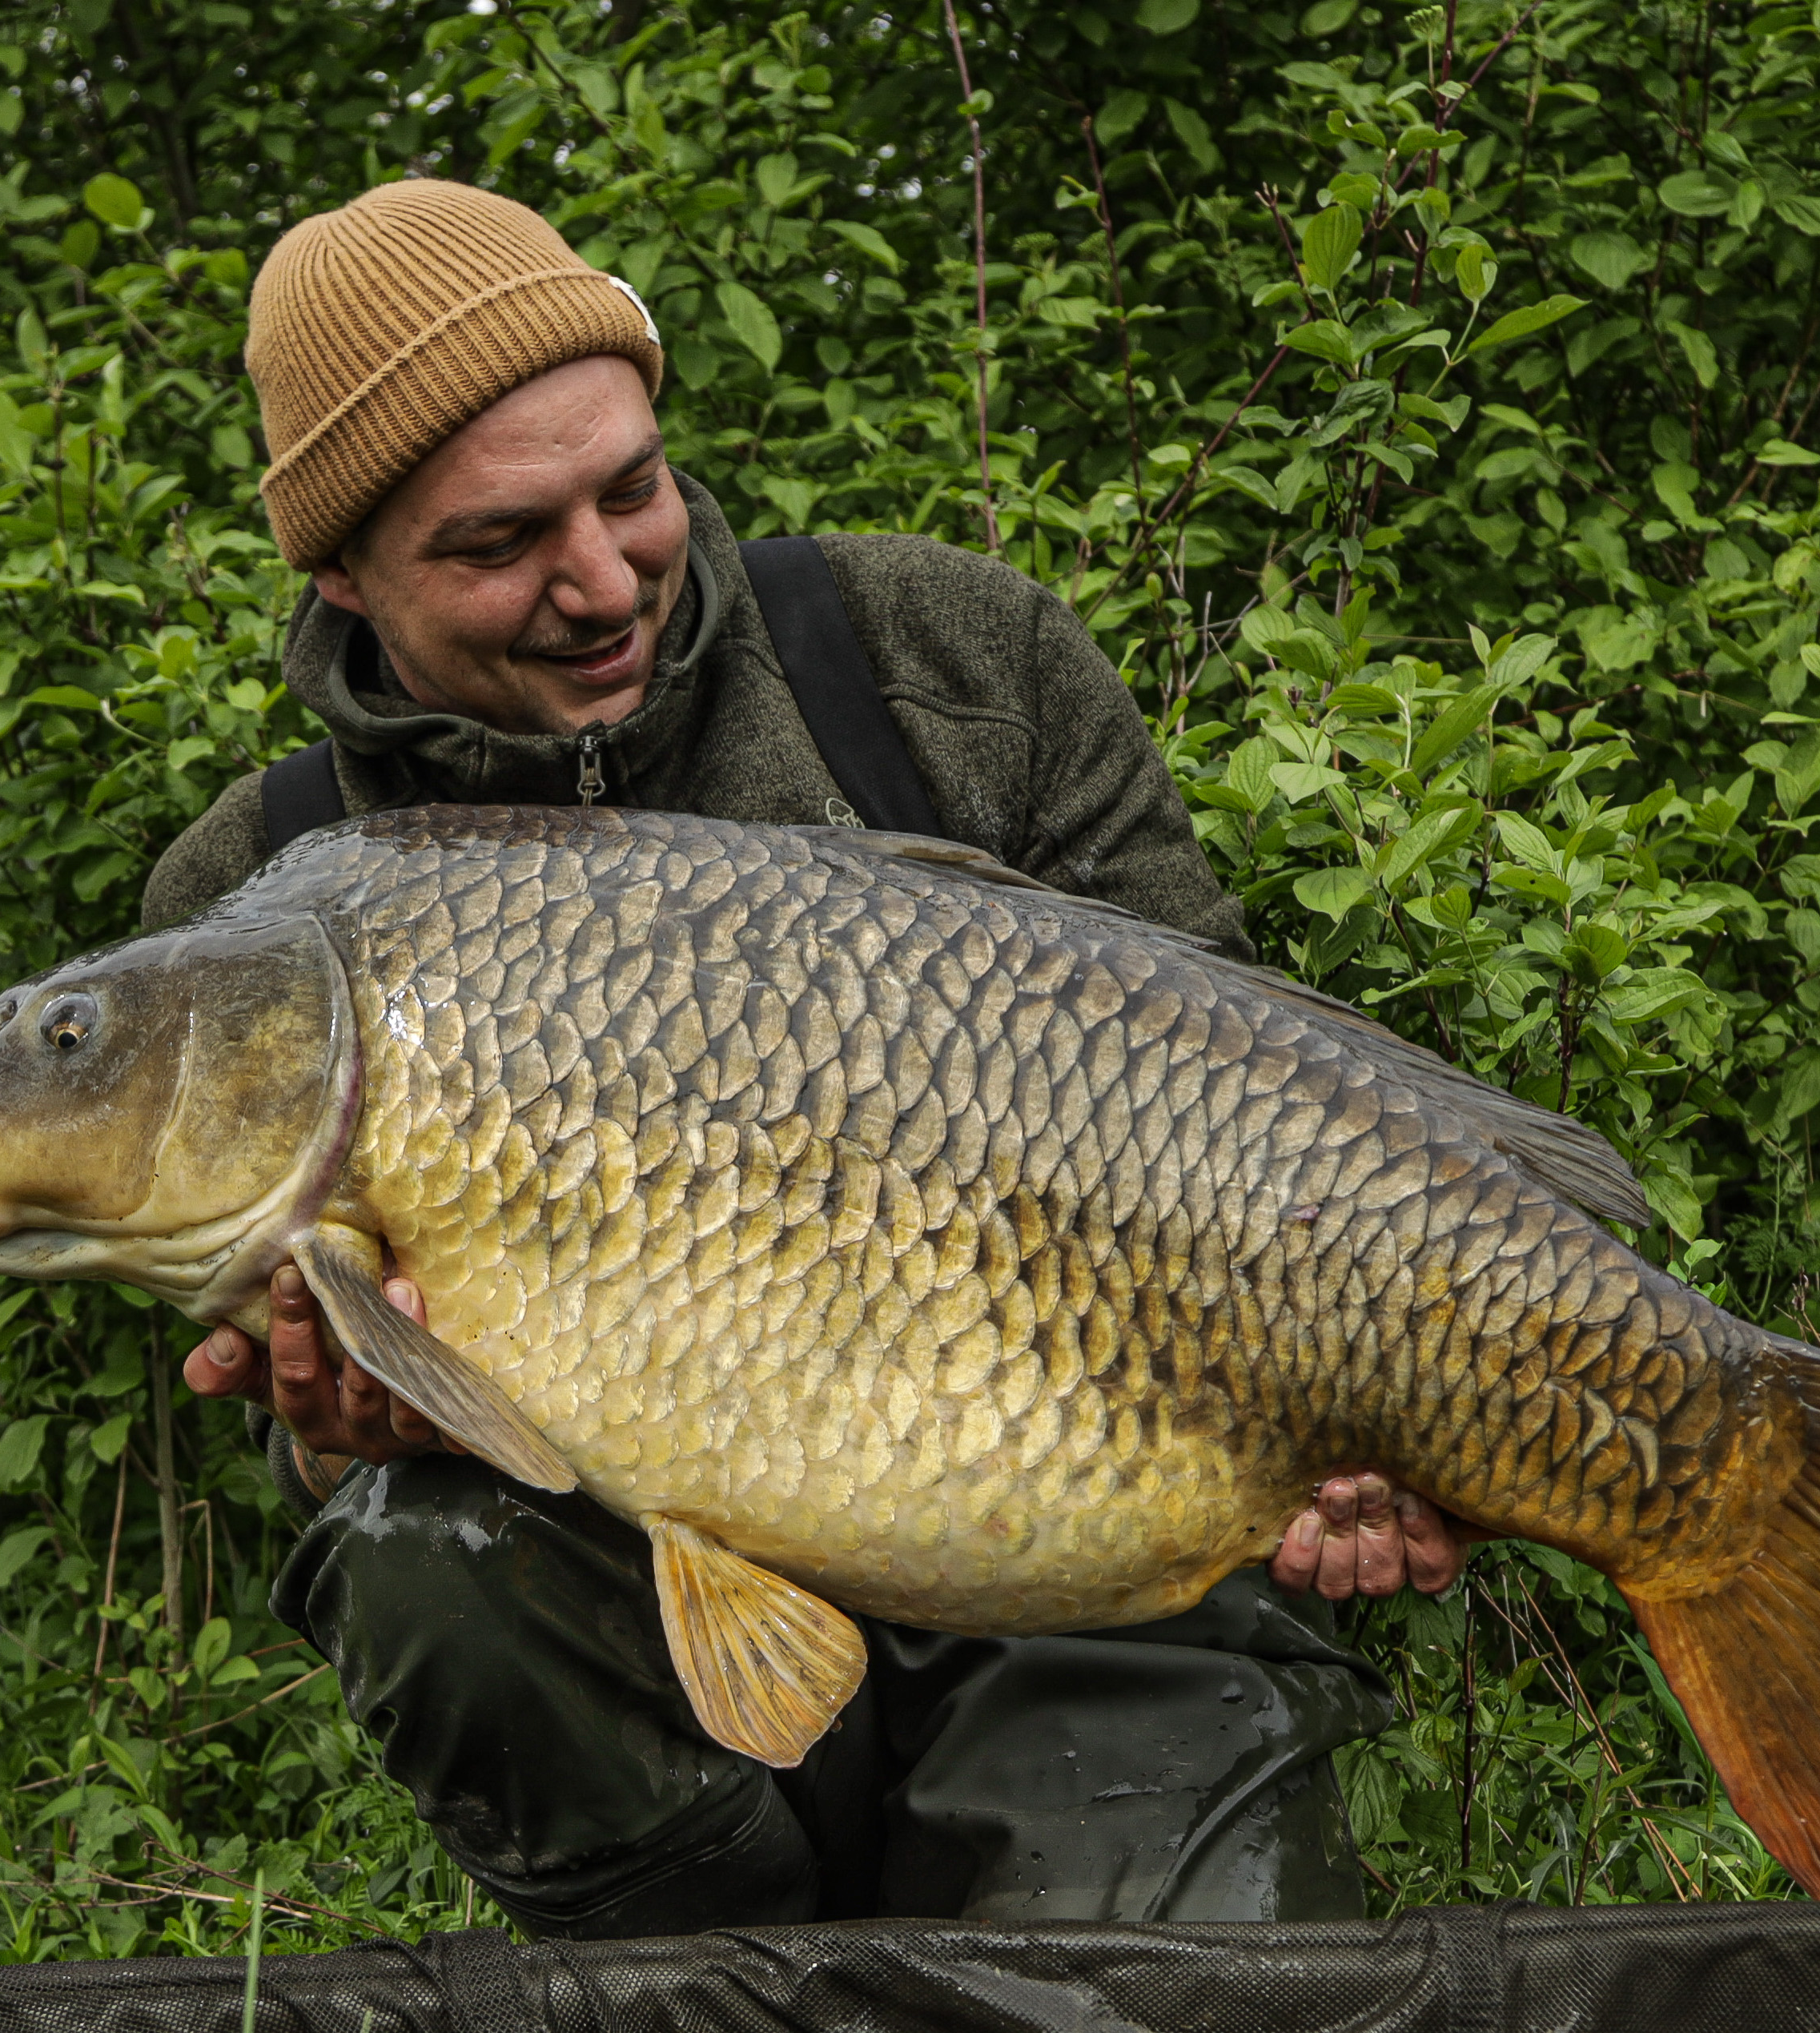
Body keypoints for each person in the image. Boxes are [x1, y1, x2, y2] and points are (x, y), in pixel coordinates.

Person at [147, 179, 1472, 1939]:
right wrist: (336, 1440)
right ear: (341, 573)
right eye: (500, 542)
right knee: (415, 1559)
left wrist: (1371, 1414)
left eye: (634, 488)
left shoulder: (948, 663)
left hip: (1082, 1561)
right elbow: (292, 1419)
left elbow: (1245, 1123)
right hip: (640, 1613)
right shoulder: (254, 902)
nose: (603, 578)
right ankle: (723, 1991)